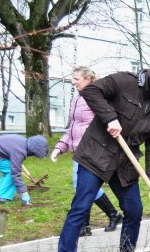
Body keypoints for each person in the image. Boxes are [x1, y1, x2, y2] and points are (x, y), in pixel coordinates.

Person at [54, 60, 150, 252]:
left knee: (134, 209)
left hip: (124, 162)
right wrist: (110, 117)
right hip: (96, 155)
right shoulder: (124, 82)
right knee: (81, 208)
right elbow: (91, 91)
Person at [51, 66, 123, 237]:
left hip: (92, 151)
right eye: (73, 78)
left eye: (77, 79)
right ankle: (103, 218)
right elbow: (73, 127)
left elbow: (109, 121)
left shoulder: (98, 98)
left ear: (89, 79)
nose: (73, 81)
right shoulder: (77, 99)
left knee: (82, 188)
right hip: (79, 151)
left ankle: (93, 222)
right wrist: (60, 147)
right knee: (82, 188)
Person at [0, 134, 48, 204]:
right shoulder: (20, 151)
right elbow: (15, 173)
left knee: (9, 171)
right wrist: (24, 192)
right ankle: (0, 197)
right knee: (11, 171)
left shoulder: (22, 142)